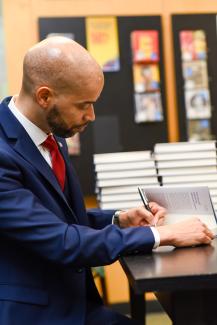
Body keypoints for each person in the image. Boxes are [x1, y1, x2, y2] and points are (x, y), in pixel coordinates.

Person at [0, 36, 214, 325]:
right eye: (83, 105)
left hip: (72, 302)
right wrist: (163, 235)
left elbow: (58, 219)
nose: (91, 115)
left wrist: (119, 219)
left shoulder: (50, 133)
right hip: (34, 313)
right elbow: (63, 241)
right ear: (44, 97)